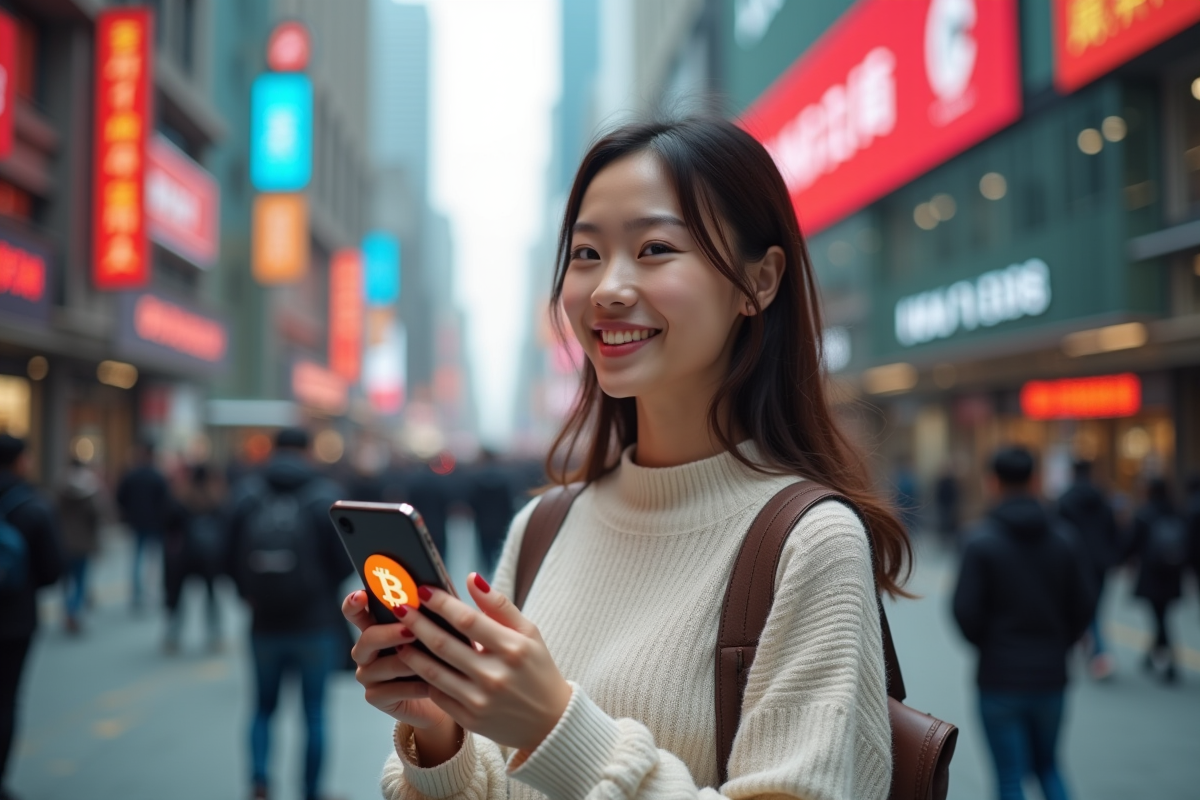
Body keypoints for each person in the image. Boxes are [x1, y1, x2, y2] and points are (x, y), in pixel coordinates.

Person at [343, 116, 910, 800]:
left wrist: (556, 727)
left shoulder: (811, 543)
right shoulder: (544, 525)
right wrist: (440, 728)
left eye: (654, 248)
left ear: (759, 282)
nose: (607, 287)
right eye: (586, 254)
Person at [953, 446, 1093, 800]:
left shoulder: (980, 541)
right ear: (1035, 480)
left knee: (1009, 778)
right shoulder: (1064, 538)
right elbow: (1084, 605)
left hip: (1000, 676)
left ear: (993, 482)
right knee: (1049, 767)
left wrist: (992, 645)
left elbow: (965, 612)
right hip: (1051, 675)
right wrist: (1061, 641)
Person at [227, 428, 350, 800]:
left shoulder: (247, 494)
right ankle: (311, 791)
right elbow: (345, 560)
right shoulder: (324, 495)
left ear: (273, 450)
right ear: (308, 451)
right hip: (314, 622)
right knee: (313, 712)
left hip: (263, 622)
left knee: (262, 708)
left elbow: (225, 551)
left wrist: (246, 593)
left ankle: (260, 781)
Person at [0, 434, 63, 800]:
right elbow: (52, 570)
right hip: (14, 620)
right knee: (6, 698)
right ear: (21, 460)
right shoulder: (32, 506)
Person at [1056, 459, 1119, 679]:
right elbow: (1113, 530)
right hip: (1100, 561)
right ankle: (1094, 650)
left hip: (1075, 561)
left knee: (1079, 606)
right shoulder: (1102, 498)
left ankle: (1098, 652)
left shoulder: (1064, 500)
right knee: (1094, 607)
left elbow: (1058, 533)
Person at [1122, 477, 1188, 684]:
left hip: (1152, 573)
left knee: (1159, 618)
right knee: (1161, 615)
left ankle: (1169, 664)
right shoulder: (1176, 511)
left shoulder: (1145, 513)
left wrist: (1120, 559)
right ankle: (1151, 657)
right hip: (1172, 571)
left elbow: (1131, 542)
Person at [163, 463, 225, 654]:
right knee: (212, 596)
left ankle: (173, 637)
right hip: (209, 556)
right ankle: (215, 636)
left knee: (178, 597)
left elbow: (168, 525)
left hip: (183, 556)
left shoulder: (181, 498)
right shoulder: (216, 499)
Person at [55, 457, 108, 635]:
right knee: (80, 579)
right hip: (83, 541)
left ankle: (68, 609)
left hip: (64, 540)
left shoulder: (61, 486)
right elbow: (97, 514)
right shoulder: (90, 488)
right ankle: (73, 611)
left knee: (67, 580)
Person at [115, 441, 170, 610]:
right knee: (155, 560)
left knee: (138, 558)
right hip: (155, 523)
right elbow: (166, 502)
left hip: (137, 522)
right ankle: (156, 593)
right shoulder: (157, 476)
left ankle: (137, 594)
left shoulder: (132, 475)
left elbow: (120, 497)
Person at [466, 448, 515, 575]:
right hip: (501, 521)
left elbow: (472, 501)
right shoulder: (505, 477)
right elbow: (509, 502)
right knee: (500, 550)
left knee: (485, 551)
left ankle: (488, 572)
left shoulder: (475, 478)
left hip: (482, 522)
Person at [934, 467, 961, 550]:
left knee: (949, 522)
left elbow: (954, 494)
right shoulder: (943, 482)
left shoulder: (951, 482)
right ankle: (945, 538)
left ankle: (949, 538)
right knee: (944, 523)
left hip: (949, 505)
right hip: (944, 505)